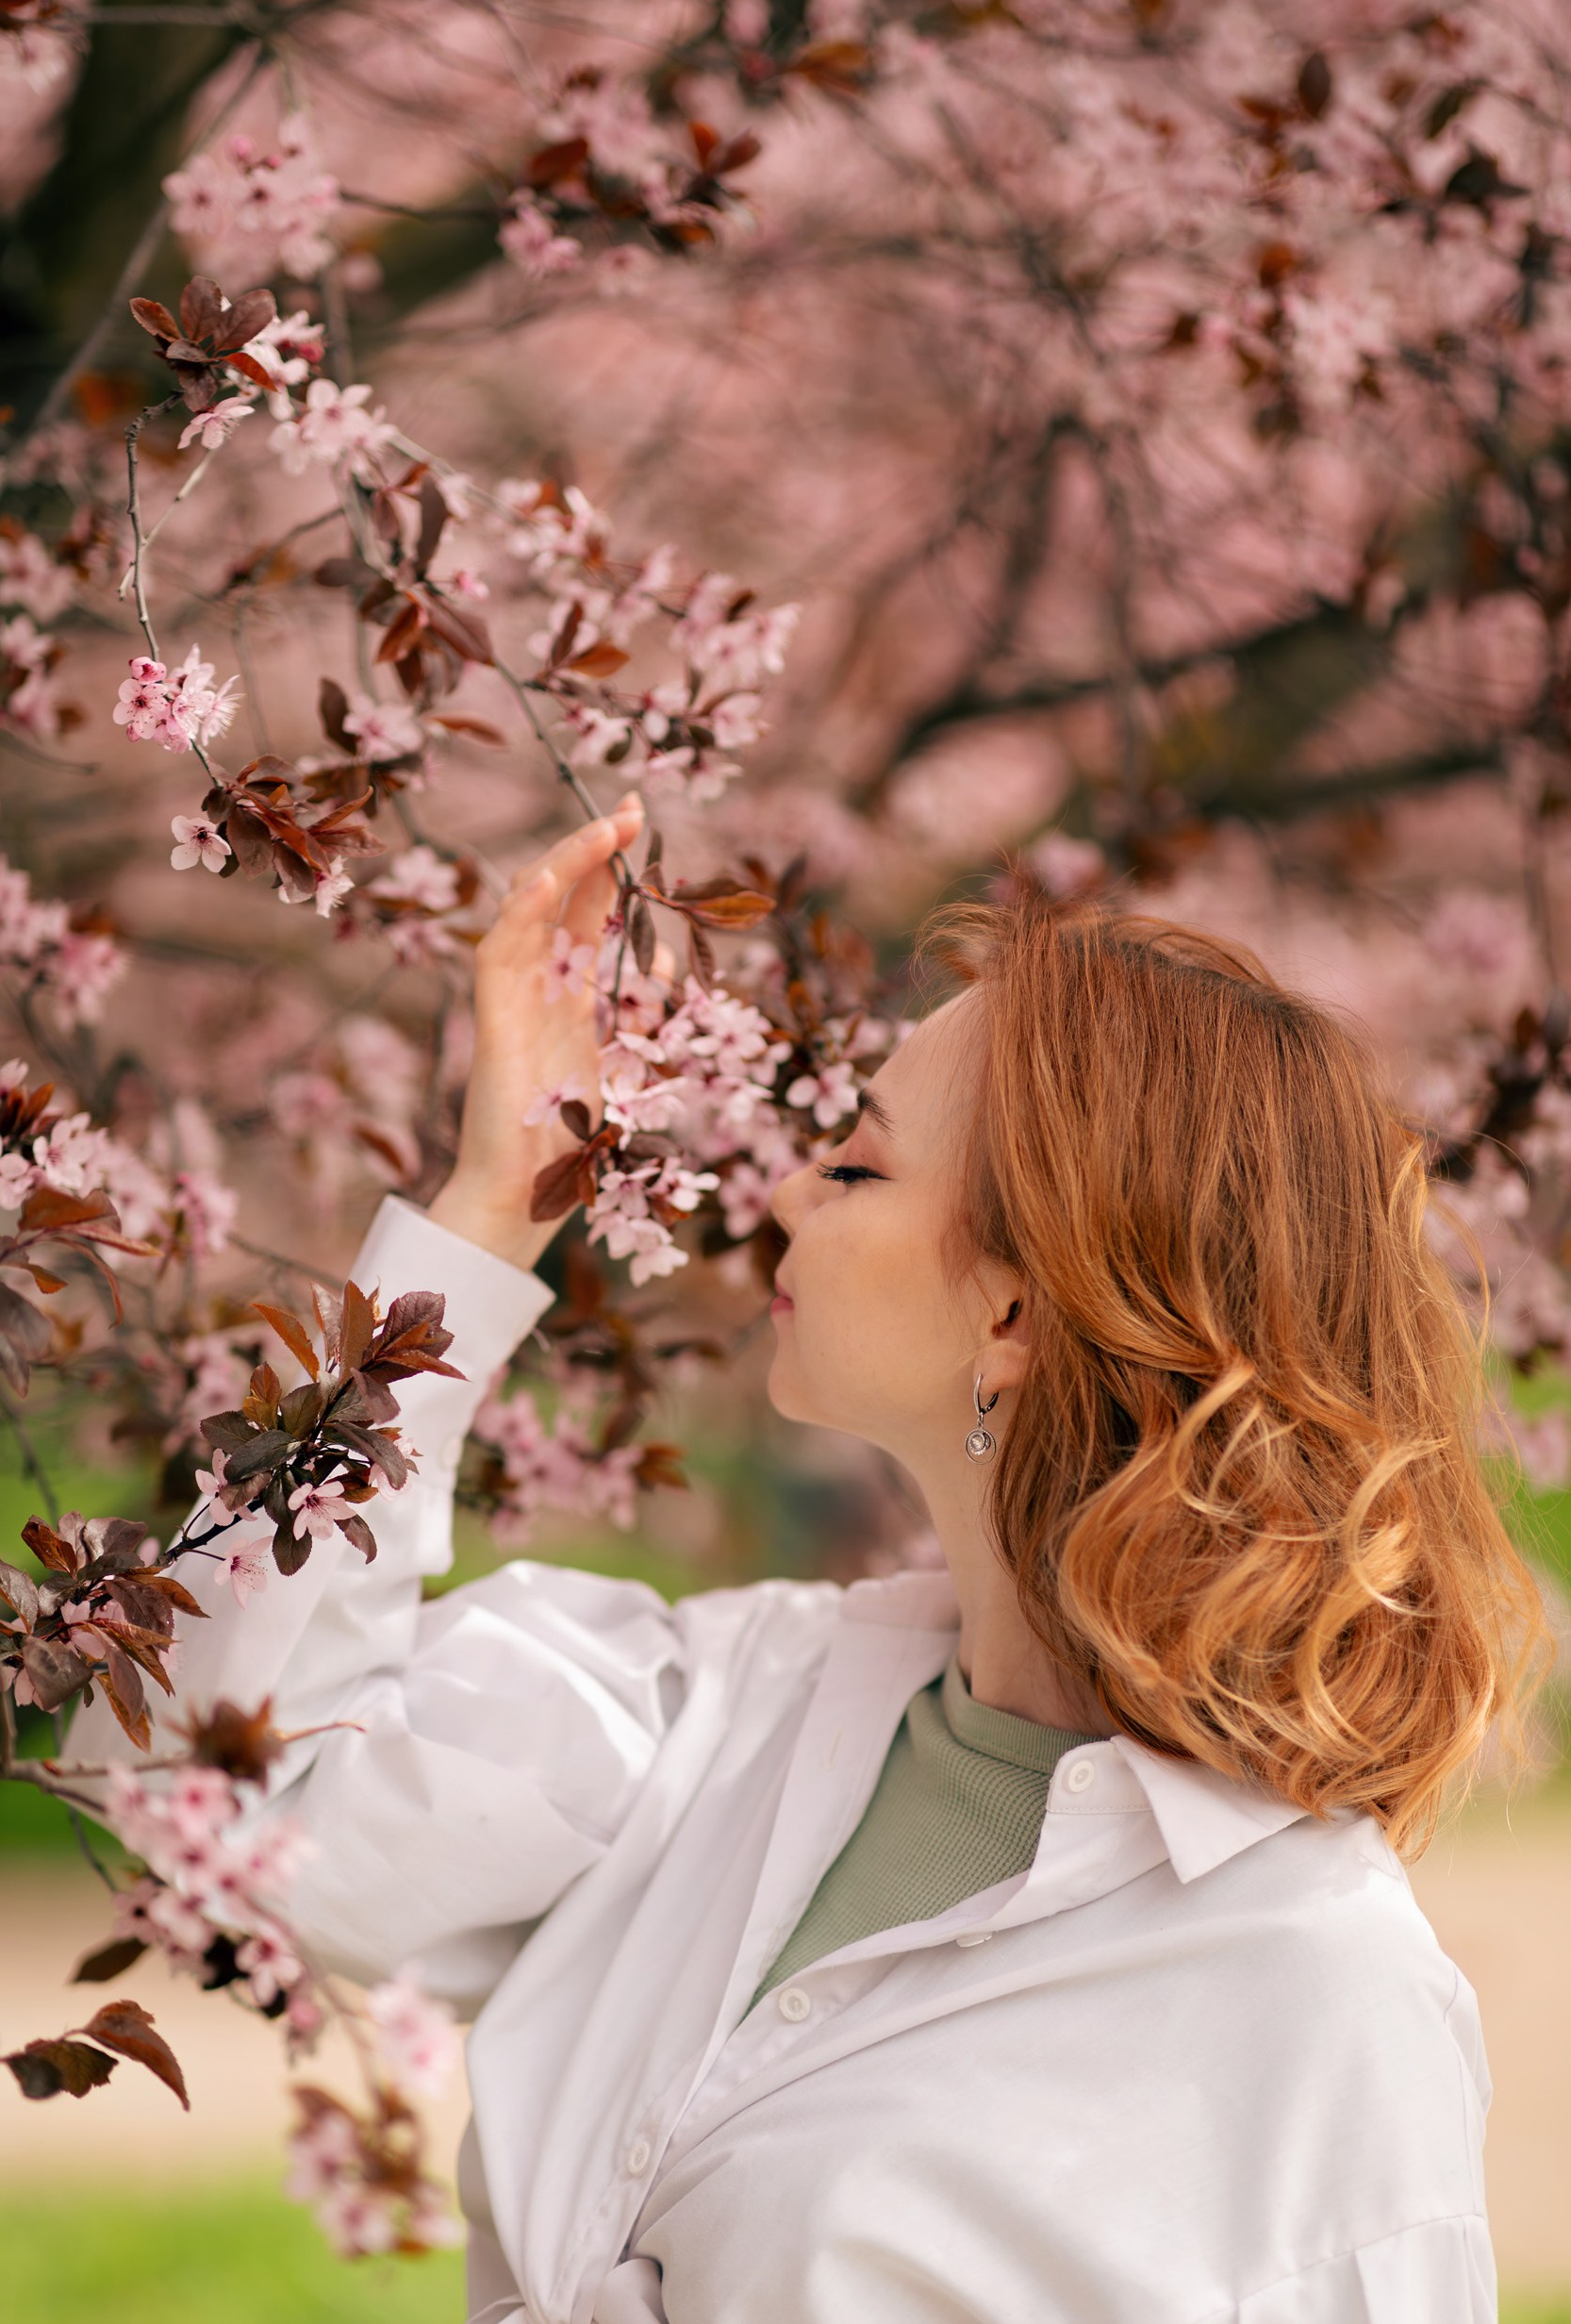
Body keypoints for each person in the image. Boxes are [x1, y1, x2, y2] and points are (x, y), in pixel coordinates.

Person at [66, 797, 1540, 2323]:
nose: (777, 1189)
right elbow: (192, 1783)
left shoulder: (1314, 2005)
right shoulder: (716, 1714)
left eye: (853, 1171)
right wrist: (484, 1215)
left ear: (1016, 1317)